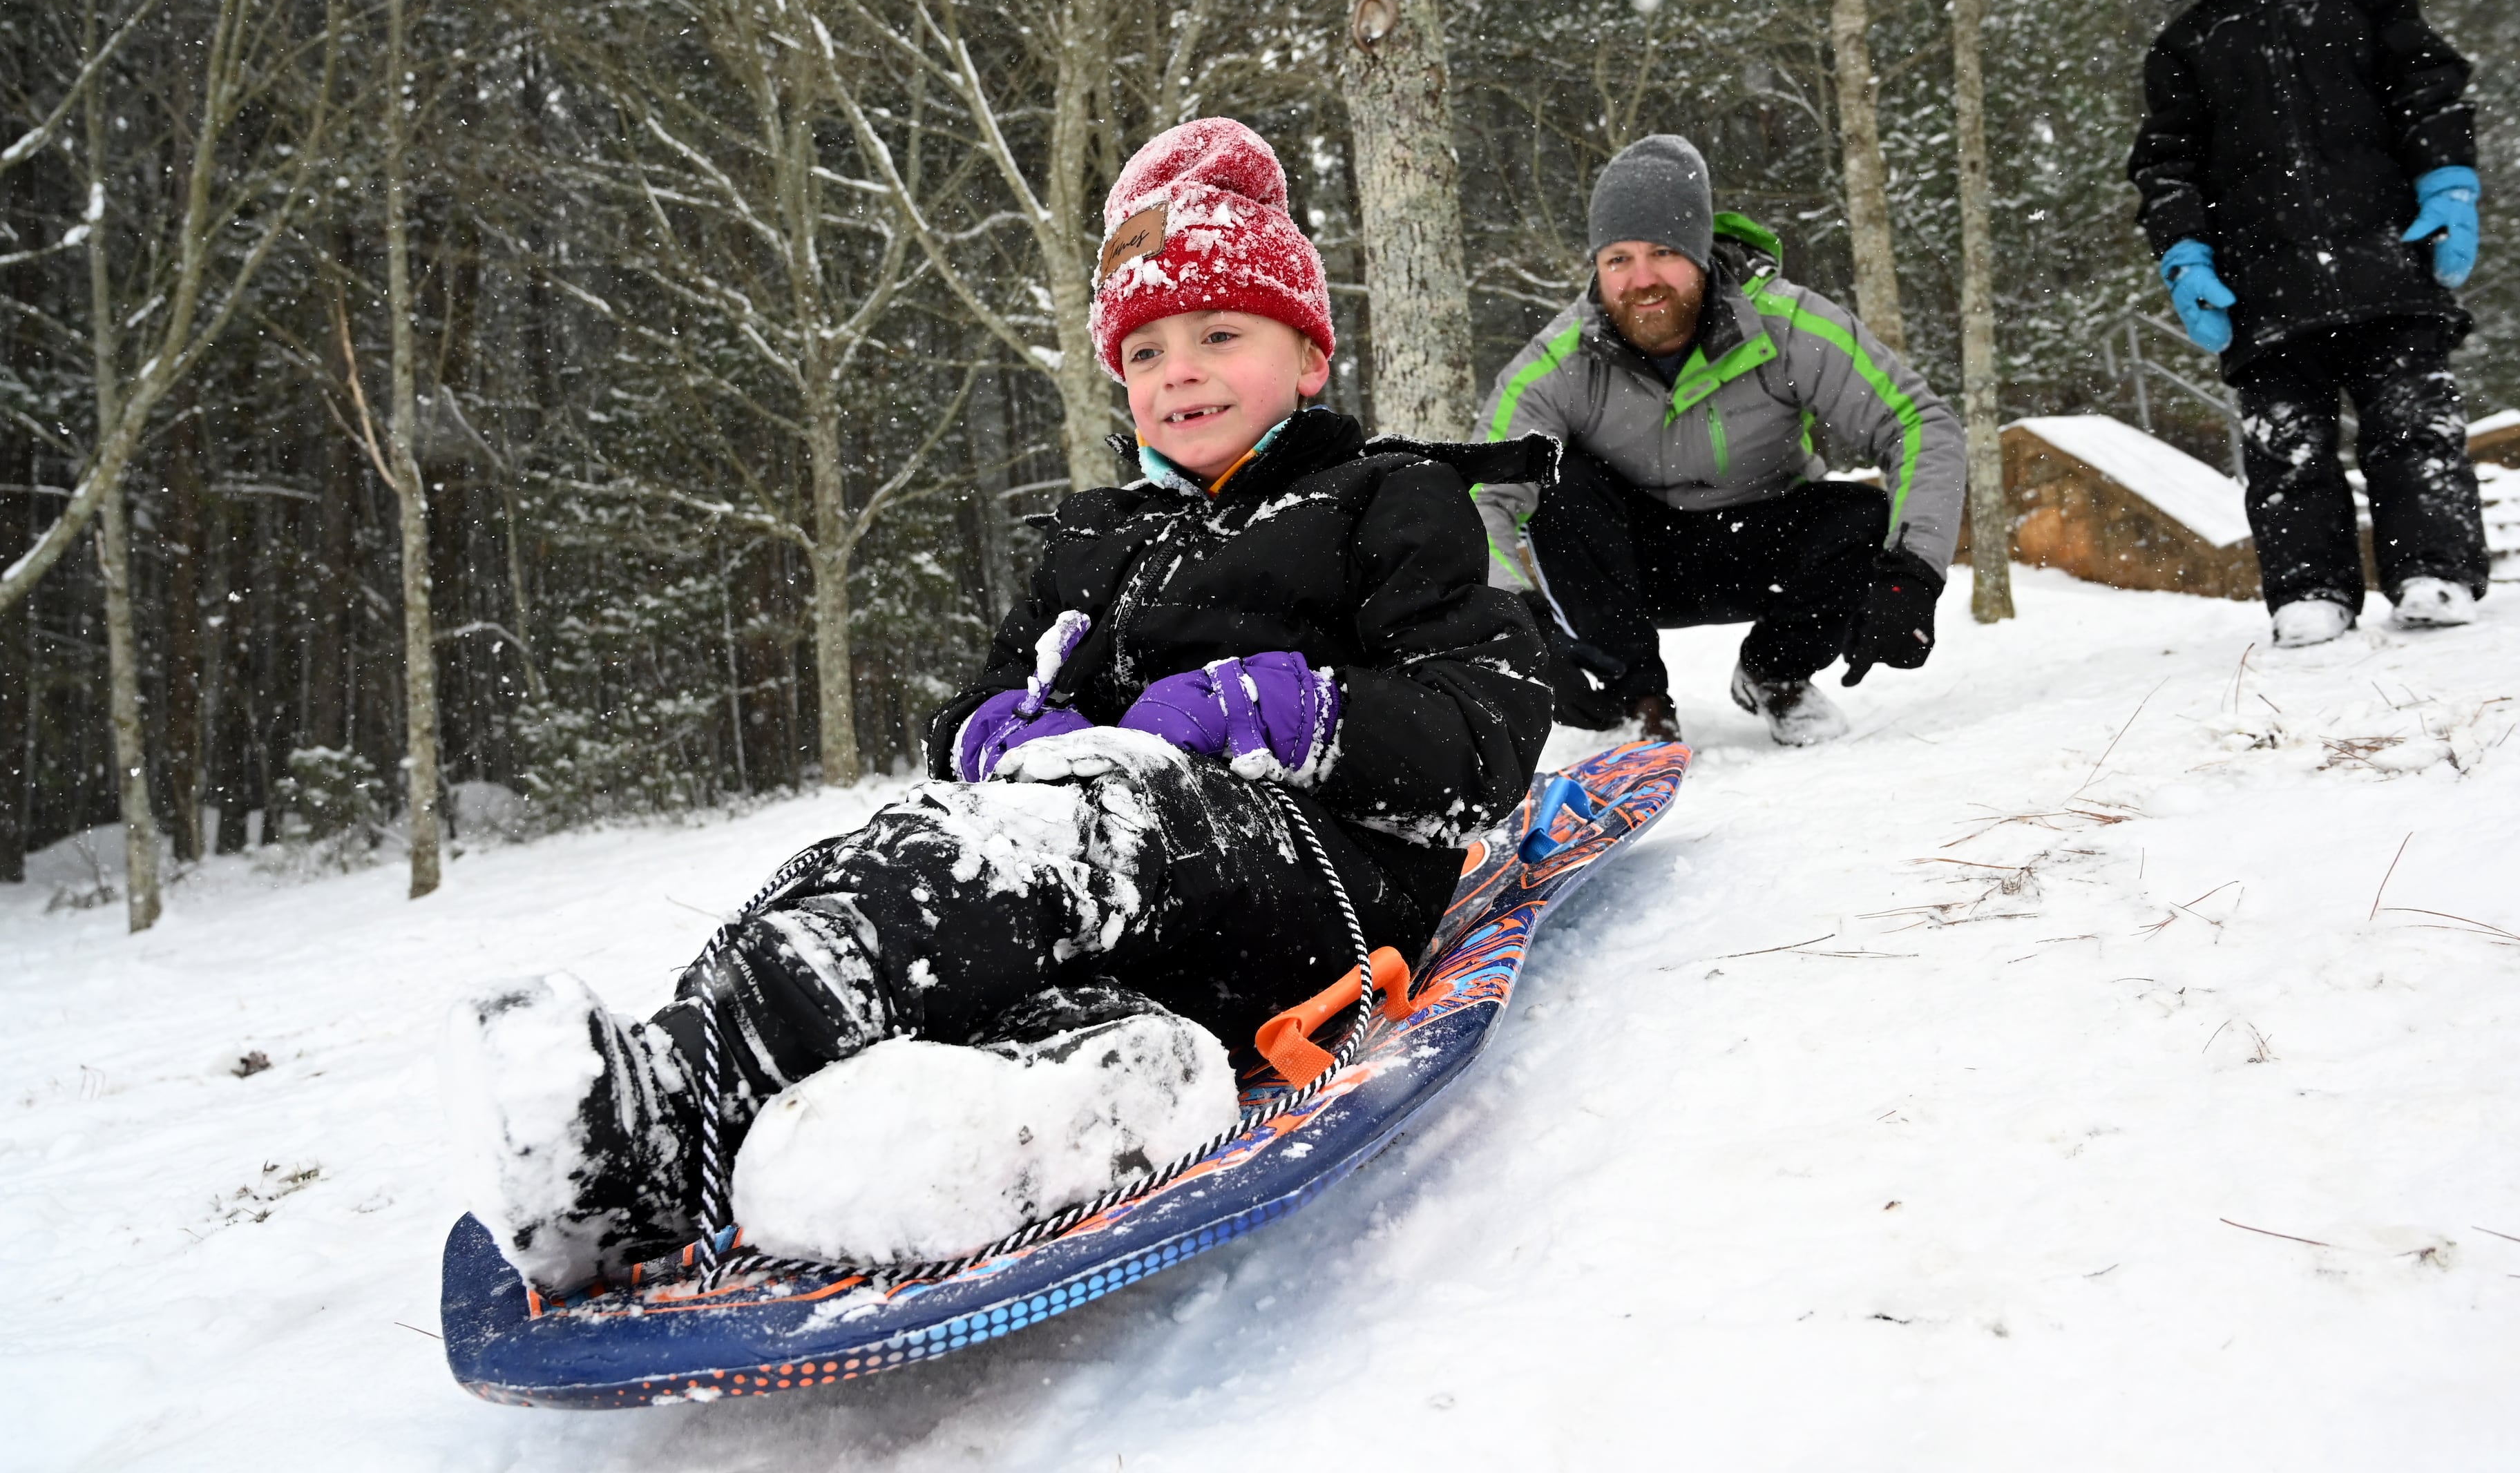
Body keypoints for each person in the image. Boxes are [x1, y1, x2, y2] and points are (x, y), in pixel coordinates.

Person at [444, 119, 1553, 1292]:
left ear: (1310, 358)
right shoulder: (1094, 541)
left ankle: (667, 1128)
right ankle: (1061, 1094)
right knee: (919, 851)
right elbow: (980, 702)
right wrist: (999, 733)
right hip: (1128, 904)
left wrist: (1278, 710)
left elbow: (1483, 734)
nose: (1180, 371)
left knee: (1064, 840)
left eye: (1222, 335)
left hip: (1317, 880)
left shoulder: (1384, 498)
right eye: (1147, 351)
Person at [1473, 134, 1965, 747]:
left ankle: (1775, 673)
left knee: (1863, 515)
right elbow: (1480, 498)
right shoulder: (1556, 363)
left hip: (1765, 547)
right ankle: (1638, 705)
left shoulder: (1789, 325)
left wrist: (1914, 575)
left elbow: (1918, 422)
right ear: (1596, 268)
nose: (1642, 279)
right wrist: (1518, 626)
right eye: (1618, 259)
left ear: (1703, 254)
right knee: (1558, 485)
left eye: (1664, 252)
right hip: (1632, 564)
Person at [2128, 0, 2488, 648]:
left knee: (2413, 427)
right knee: (2288, 450)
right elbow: (2167, 168)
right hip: (2267, 290)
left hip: (2387, 260)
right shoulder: (2185, 46)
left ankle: (2433, 568)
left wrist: (2447, 183)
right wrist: (2187, 257)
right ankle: (2312, 591)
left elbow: (2429, 90)